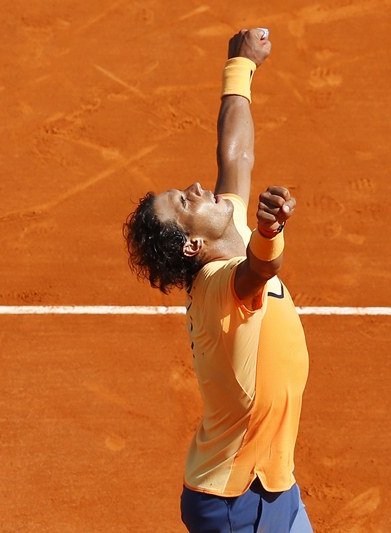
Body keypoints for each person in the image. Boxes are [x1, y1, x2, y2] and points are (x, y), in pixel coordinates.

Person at [123, 28, 313, 533]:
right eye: (185, 202)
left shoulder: (227, 228)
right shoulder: (217, 285)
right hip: (236, 501)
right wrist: (271, 232)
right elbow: (259, 270)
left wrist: (240, 67)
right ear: (192, 245)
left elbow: (236, 155)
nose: (196, 188)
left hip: (270, 481)